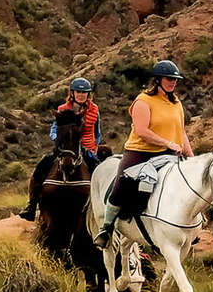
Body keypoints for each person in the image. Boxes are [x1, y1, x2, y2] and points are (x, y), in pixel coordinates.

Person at [94, 60, 193, 248]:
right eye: (168, 79)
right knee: (121, 183)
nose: (173, 82)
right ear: (157, 80)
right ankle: (106, 228)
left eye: (175, 79)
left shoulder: (176, 103)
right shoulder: (143, 101)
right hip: (141, 152)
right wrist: (167, 142)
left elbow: (181, 131)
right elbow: (141, 131)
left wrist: (190, 156)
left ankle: (187, 228)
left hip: (168, 154)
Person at [50, 77, 105, 160]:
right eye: (78, 92)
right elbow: (53, 131)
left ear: (88, 94)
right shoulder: (63, 109)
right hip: (66, 150)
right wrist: (60, 139)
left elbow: (97, 132)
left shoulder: (94, 109)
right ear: (72, 93)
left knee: (98, 167)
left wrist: (95, 147)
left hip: (88, 150)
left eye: (84, 92)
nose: (81, 95)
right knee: (44, 165)